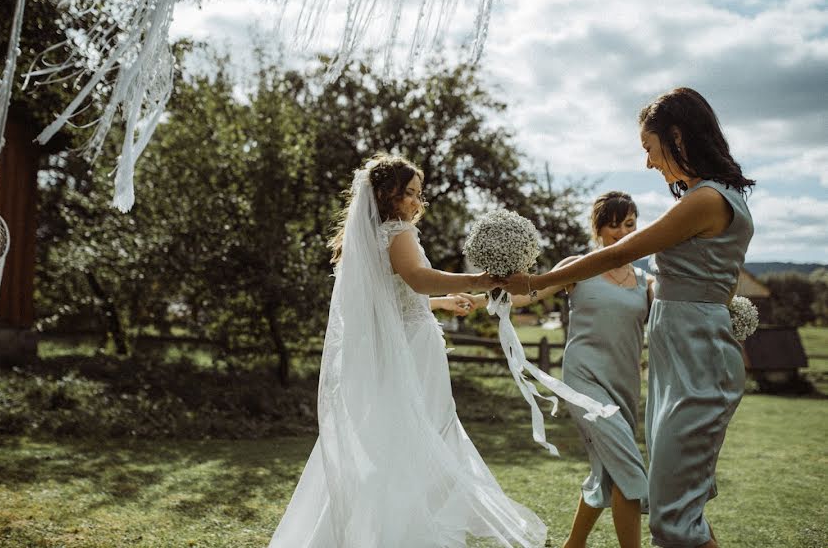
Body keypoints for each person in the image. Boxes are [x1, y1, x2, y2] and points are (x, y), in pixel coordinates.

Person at [502, 88, 754, 548]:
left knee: (673, 515)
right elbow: (724, 285)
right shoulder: (716, 200)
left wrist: (537, 282)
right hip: (679, 362)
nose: (648, 162)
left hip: (696, 362)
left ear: (675, 137)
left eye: (649, 148)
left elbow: (620, 253)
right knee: (675, 506)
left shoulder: (705, 200)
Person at [269, 153, 547, 548]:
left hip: (401, 348)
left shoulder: (369, 239)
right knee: (420, 440)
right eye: (410, 193)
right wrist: (479, 279)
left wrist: (443, 302)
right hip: (414, 352)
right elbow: (417, 279)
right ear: (387, 195)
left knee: (391, 440)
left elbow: (392, 302)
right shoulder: (398, 232)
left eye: (420, 194)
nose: (418, 202)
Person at [468, 191, 652, 548]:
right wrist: (482, 295)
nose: (622, 231)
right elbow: (531, 294)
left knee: (610, 470)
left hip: (626, 384)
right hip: (584, 380)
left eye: (629, 223)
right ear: (597, 228)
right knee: (629, 467)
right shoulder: (579, 266)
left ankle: (573, 544)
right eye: (613, 224)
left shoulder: (645, 281)